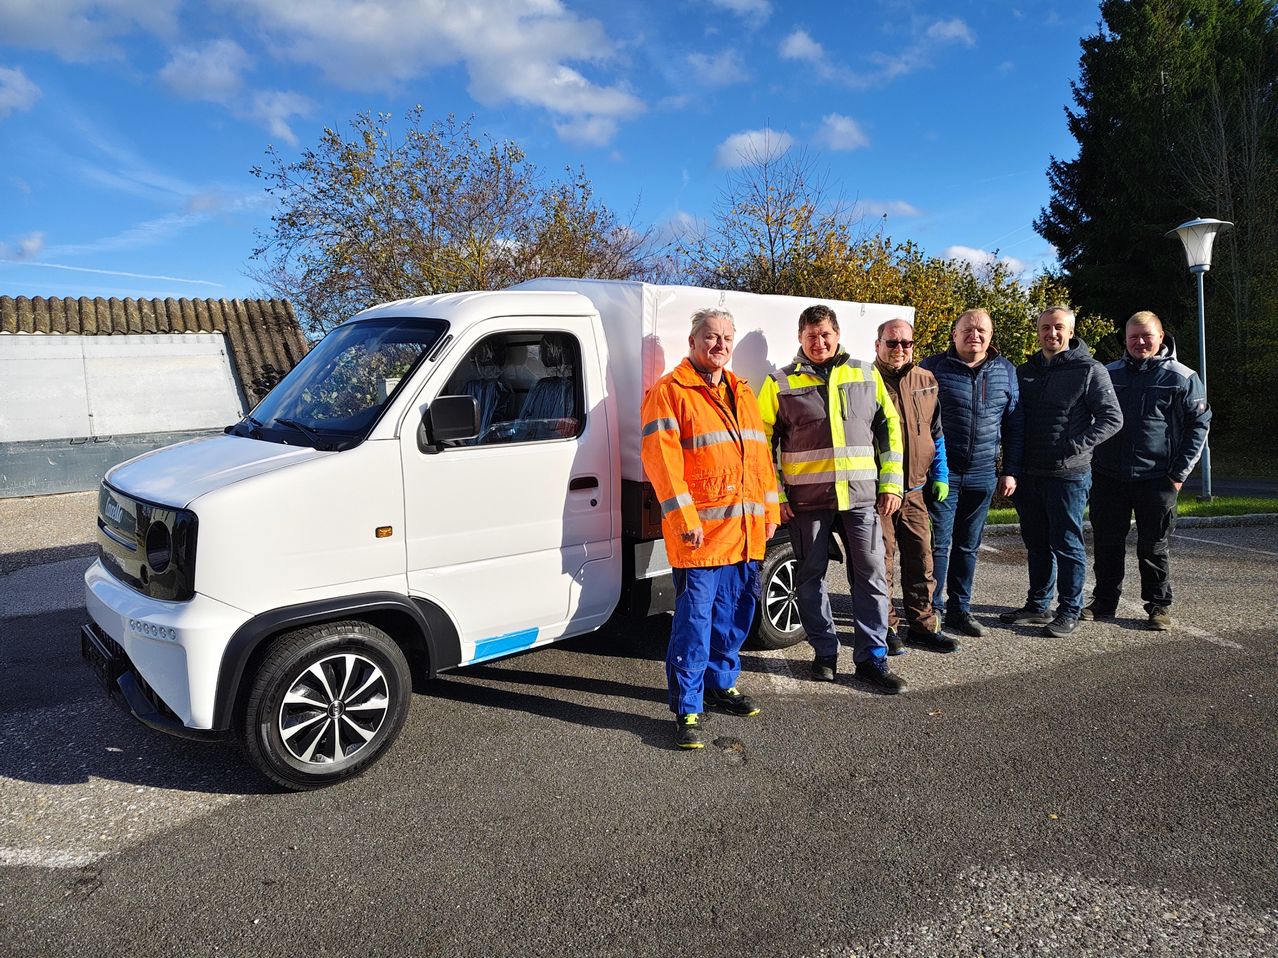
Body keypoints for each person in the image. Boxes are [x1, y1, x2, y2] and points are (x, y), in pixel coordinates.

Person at [640, 307, 780, 750]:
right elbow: (661, 464)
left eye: (725, 338)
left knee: (735, 613)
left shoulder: (743, 392)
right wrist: (684, 520)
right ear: (693, 341)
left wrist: (771, 510)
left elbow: (760, 459)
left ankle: (721, 684)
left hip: (744, 530)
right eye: (710, 337)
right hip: (700, 535)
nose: (718, 345)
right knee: (694, 622)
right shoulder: (671, 391)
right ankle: (688, 707)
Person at [758, 304, 907, 692]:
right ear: (800, 338)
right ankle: (824, 652)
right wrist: (775, 494)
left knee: (871, 577)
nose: (819, 342)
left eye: (825, 334)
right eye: (811, 335)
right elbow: (760, 443)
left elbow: (891, 430)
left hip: (861, 499)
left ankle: (872, 658)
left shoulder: (865, 372)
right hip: (807, 501)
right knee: (809, 578)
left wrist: (891, 484)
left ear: (837, 335)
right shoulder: (779, 382)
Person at [1000, 306, 1122, 637]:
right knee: (1037, 542)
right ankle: (1038, 605)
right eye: (1045, 328)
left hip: (1068, 474)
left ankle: (1069, 608)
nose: (1051, 333)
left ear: (1070, 332)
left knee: (1067, 543)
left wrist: (1074, 445)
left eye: (1058, 328)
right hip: (1030, 473)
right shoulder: (1024, 372)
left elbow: (1112, 418)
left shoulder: (1089, 369)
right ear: (1037, 331)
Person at [1085, 311, 1210, 630]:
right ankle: (1104, 602)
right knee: (1107, 543)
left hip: (1158, 479)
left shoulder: (1182, 376)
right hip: (1108, 476)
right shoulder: (1106, 373)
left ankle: (1158, 605)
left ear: (1161, 336)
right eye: (1133, 337)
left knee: (1153, 546)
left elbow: (1199, 424)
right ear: (1125, 339)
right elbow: (1088, 417)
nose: (1140, 342)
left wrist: (1179, 474)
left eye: (1146, 336)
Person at [920, 308, 1023, 638]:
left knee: (968, 546)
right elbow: (917, 421)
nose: (974, 335)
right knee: (938, 544)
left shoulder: (1006, 371)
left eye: (981, 330)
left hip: (983, 475)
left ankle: (959, 610)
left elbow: (1014, 426)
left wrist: (1009, 471)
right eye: (967, 329)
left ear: (991, 337)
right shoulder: (932, 367)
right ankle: (931, 609)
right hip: (941, 475)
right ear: (954, 334)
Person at [872, 317, 956, 653]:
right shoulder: (866, 379)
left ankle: (922, 626)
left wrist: (942, 472)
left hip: (916, 490)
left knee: (922, 560)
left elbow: (935, 432)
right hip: (879, 492)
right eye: (892, 343)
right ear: (877, 344)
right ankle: (886, 628)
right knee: (881, 564)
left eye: (906, 343)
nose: (900, 349)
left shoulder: (926, 379)